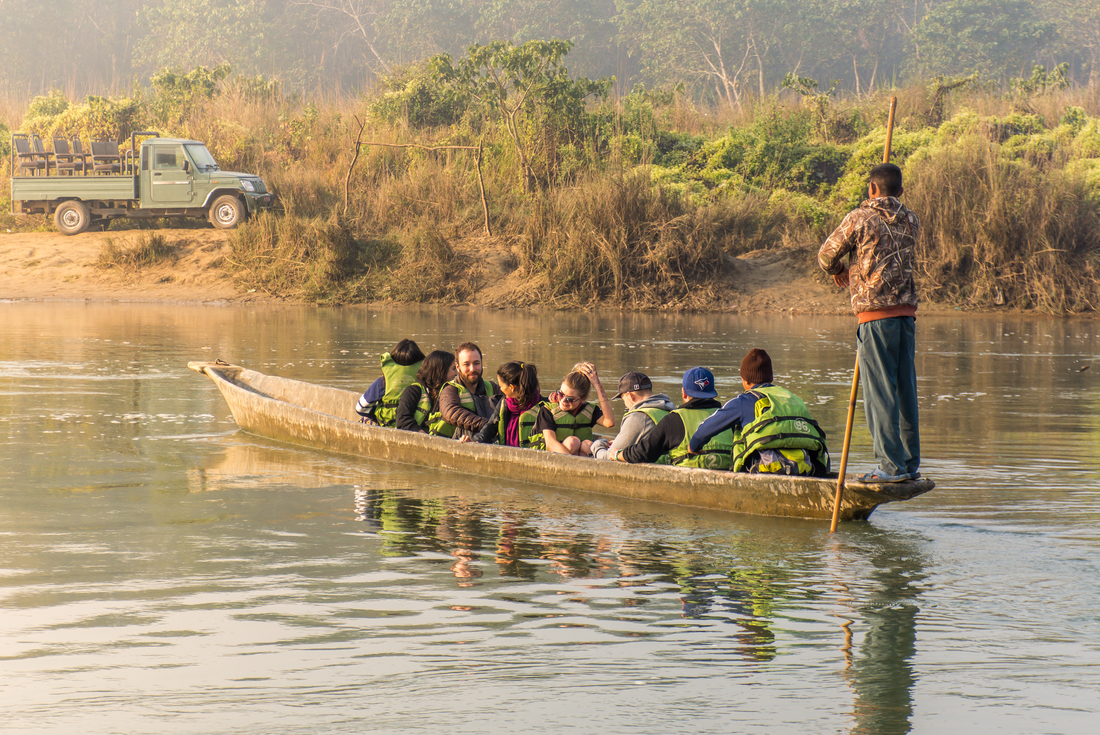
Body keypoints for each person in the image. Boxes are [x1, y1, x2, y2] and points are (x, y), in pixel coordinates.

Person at [818, 162, 921, 483]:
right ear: (901, 192)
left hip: (874, 316)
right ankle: (908, 463)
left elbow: (825, 255)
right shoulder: (911, 219)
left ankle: (890, 467)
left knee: (879, 393)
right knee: (905, 389)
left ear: (871, 189)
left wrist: (838, 271)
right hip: (906, 314)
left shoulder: (859, 218)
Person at [691, 349, 830, 476]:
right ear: (771, 378)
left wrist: (693, 446)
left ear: (744, 380)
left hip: (765, 472)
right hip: (805, 470)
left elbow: (705, 430)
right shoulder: (792, 398)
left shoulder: (743, 401)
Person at [616, 367, 733, 469]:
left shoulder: (674, 420)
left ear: (684, 393)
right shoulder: (729, 416)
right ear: (712, 392)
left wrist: (619, 454)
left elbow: (644, 452)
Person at [534, 362, 615, 455]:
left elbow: (610, 422)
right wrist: (574, 462)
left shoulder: (589, 410)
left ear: (583, 399)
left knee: (588, 445)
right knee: (572, 442)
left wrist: (597, 385)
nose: (563, 401)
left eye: (570, 399)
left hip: (581, 458)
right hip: (557, 459)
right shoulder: (547, 411)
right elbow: (550, 444)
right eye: (561, 394)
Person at [591, 372, 675, 461]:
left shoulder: (638, 417)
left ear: (631, 396)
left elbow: (607, 458)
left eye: (624, 400)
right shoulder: (669, 410)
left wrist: (597, 444)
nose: (626, 406)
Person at [469, 361, 546, 448]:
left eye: (501, 385)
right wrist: (475, 440)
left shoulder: (543, 406)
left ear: (512, 387)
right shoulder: (504, 402)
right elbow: (490, 427)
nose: (500, 389)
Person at [354, 338, 426, 427]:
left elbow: (360, 408)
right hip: (414, 426)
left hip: (386, 424)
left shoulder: (382, 382)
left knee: (365, 419)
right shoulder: (425, 381)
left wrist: (375, 415)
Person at [437, 342, 501, 439]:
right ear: (457, 367)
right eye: (466, 364)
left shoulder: (492, 387)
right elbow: (451, 412)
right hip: (459, 442)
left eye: (476, 363)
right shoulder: (450, 390)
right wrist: (488, 426)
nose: (472, 369)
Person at [394, 350, 457, 434]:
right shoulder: (413, 391)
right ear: (441, 371)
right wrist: (423, 436)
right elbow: (402, 420)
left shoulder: (451, 393)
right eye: (453, 368)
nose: (456, 373)